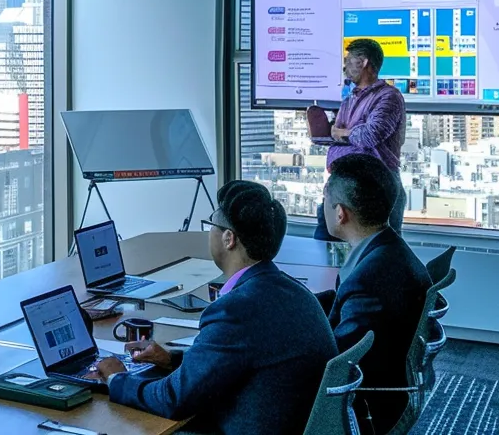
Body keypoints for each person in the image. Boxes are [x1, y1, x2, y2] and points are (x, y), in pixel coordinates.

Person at [93, 181, 336, 435]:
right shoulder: (294, 291)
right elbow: (237, 359)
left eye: (211, 225)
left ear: (228, 238)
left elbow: (173, 400)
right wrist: (172, 360)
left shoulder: (236, 309)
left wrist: (116, 379)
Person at [316, 153, 433, 434]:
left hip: (365, 406)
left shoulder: (370, 280)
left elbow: (336, 362)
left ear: (340, 213)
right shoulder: (387, 250)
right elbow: (343, 302)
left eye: (324, 201)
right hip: (388, 386)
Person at [316, 37, 408, 241]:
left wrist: (343, 133)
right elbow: (336, 134)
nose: (344, 66)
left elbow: (371, 134)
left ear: (364, 62)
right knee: (326, 247)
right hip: (342, 186)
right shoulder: (349, 99)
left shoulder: (388, 96)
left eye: (349, 60)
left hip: (377, 187)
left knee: (376, 256)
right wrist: (339, 133)